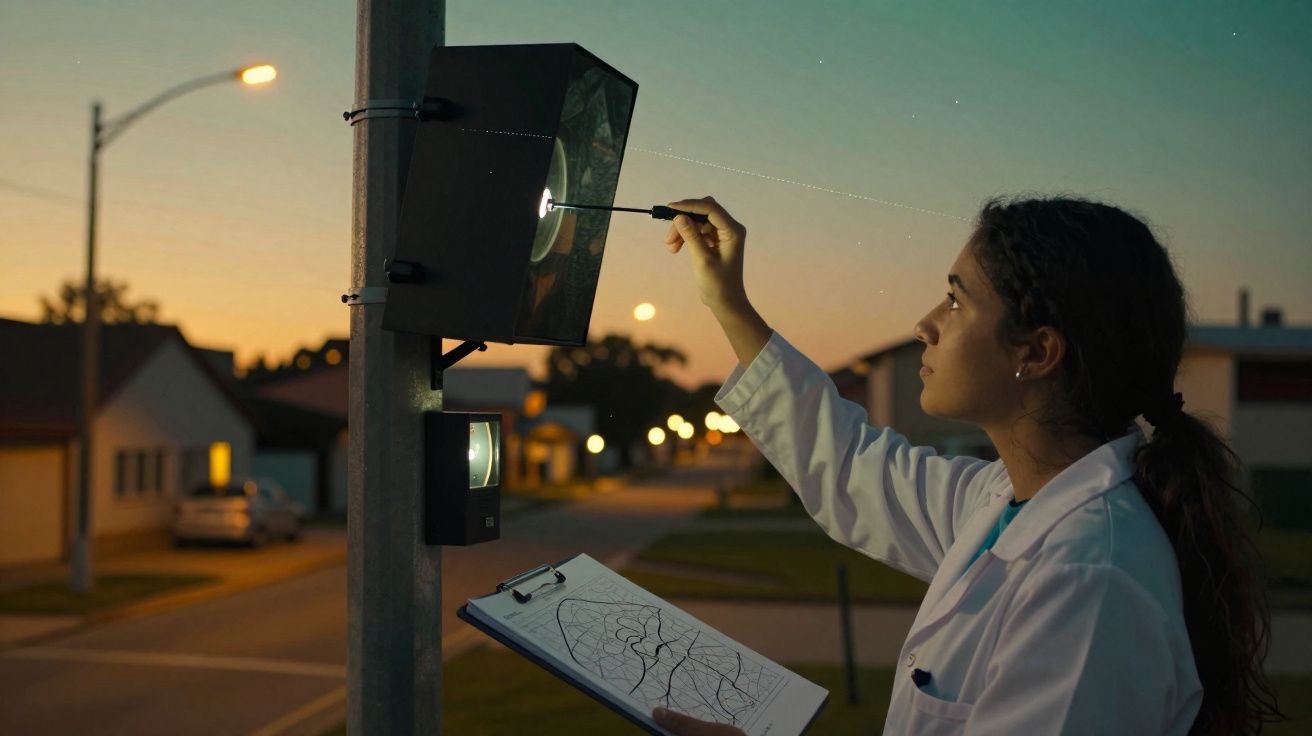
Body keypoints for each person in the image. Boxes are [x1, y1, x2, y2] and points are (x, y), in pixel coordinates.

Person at [650, 196, 1287, 735]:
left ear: (1037, 352)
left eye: (955, 301)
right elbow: (848, 466)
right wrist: (728, 302)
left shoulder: (1088, 583)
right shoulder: (1005, 503)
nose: (925, 325)